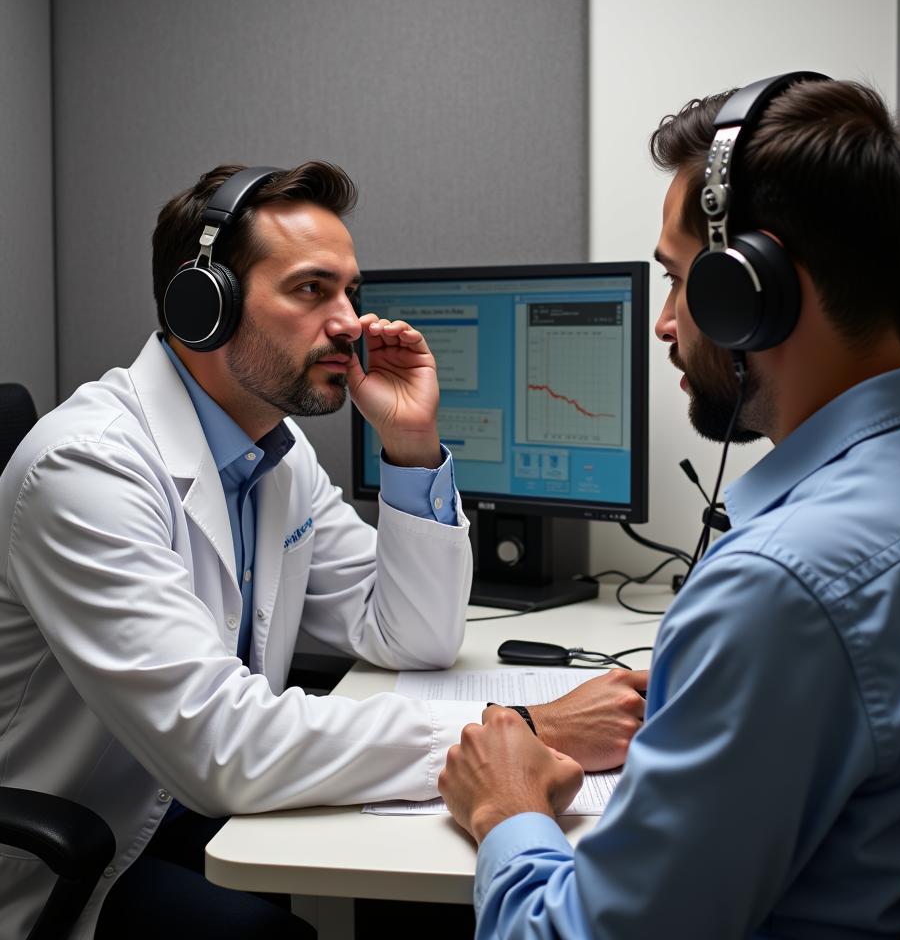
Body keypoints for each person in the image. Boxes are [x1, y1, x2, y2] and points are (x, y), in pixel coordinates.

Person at [438, 75, 900, 938]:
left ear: (753, 290)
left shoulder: (781, 588)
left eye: (680, 283)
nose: (668, 323)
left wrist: (507, 808)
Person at [0, 161, 645, 940]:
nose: (351, 323)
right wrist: (527, 730)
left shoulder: (274, 447)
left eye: (351, 293)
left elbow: (416, 636)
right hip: (87, 851)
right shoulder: (86, 468)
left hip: (198, 808)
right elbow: (219, 747)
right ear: (200, 303)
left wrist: (410, 448)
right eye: (312, 291)